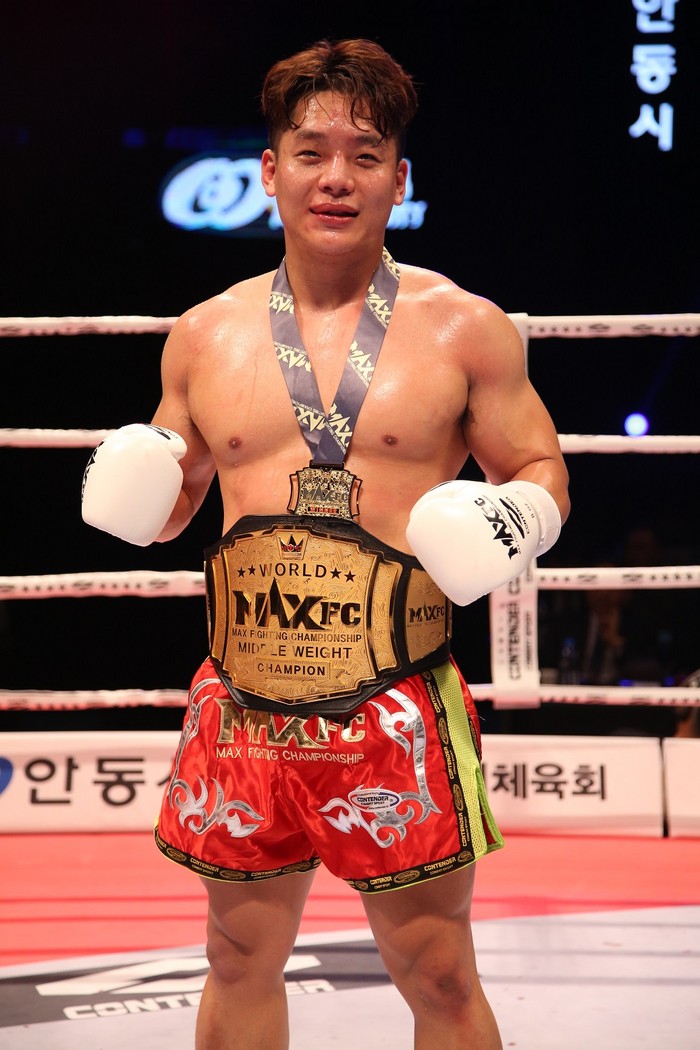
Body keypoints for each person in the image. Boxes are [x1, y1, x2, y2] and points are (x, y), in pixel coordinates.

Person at [82, 38, 570, 1050]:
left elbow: (539, 468)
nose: (336, 177)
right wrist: (143, 486)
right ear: (271, 171)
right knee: (235, 955)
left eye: (364, 154)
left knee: (438, 971)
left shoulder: (465, 328)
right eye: (311, 153)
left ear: (400, 177)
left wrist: (514, 517)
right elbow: (170, 510)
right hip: (243, 700)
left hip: (394, 695)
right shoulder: (203, 334)